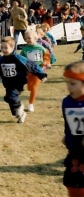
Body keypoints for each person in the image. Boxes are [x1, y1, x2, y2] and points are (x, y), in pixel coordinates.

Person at [0, 37, 47, 123]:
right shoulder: (1, 59)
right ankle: (21, 114)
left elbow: (32, 65)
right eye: (2, 48)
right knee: (9, 100)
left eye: (6, 48)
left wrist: (42, 74)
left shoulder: (18, 58)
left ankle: (20, 107)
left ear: (12, 48)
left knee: (12, 96)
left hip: (18, 83)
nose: (3, 50)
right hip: (8, 84)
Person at [61, 61, 84, 197]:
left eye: (73, 83)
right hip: (75, 151)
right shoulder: (67, 101)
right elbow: (69, 122)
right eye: (67, 83)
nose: (69, 87)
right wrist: (67, 136)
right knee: (72, 184)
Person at [20, 30, 50, 112]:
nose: (27, 40)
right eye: (26, 38)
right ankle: (31, 95)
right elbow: (21, 58)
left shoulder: (40, 48)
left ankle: (30, 104)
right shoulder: (25, 49)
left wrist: (46, 62)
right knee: (29, 87)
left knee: (33, 87)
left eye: (29, 38)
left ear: (35, 38)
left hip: (39, 71)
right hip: (29, 71)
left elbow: (47, 55)